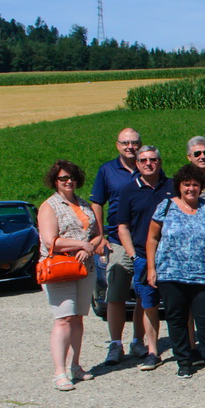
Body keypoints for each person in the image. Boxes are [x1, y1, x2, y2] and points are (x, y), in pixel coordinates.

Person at [145, 163, 205, 379]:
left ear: (201, 186)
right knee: (176, 319)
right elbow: (152, 238)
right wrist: (151, 267)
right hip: (171, 275)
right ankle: (183, 361)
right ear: (179, 186)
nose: (191, 188)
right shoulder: (165, 207)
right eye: (186, 185)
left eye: (195, 184)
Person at [38, 160, 102, 391]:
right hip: (59, 270)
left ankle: (76, 365)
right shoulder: (49, 206)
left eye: (71, 177)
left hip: (85, 269)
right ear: (55, 181)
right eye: (63, 178)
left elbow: (97, 236)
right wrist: (83, 245)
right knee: (63, 318)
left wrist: (90, 247)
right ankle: (59, 371)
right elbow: (50, 241)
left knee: (77, 319)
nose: (68, 181)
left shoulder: (84, 205)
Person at [114, 145, 174, 371]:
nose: (148, 164)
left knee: (179, 303)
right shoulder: (129, 190)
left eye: (153, 159)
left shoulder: (171, 186)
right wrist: (133, 256)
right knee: (149, 304)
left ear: (159, 162)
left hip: (171, 257)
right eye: (143, 160)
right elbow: (122, 227)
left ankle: (185, 346)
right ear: (137, 164)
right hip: (142, 256)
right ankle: (152, 351)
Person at [90, 127, 146, 365]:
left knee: (144, 294)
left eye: (134, 143)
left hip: (143, 240)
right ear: (117, 145)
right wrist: (100, 235)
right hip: (116, 241)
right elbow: (96, 204)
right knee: (116, 295)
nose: (130, 147)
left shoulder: (148, 167)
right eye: (125, 143)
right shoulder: (107, 171)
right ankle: (115, 344)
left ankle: (138, 342)